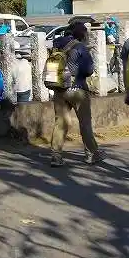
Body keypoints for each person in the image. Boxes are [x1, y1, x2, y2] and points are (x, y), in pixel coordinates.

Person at [49, 22, 104, 167]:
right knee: (85, 122)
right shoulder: (80, 47)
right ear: (81, 34)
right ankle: (91, 154)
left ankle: (56, 156)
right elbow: (89, 70)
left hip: (59, 89)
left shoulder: (56, 45)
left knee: (60, 122)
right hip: (77, 89)